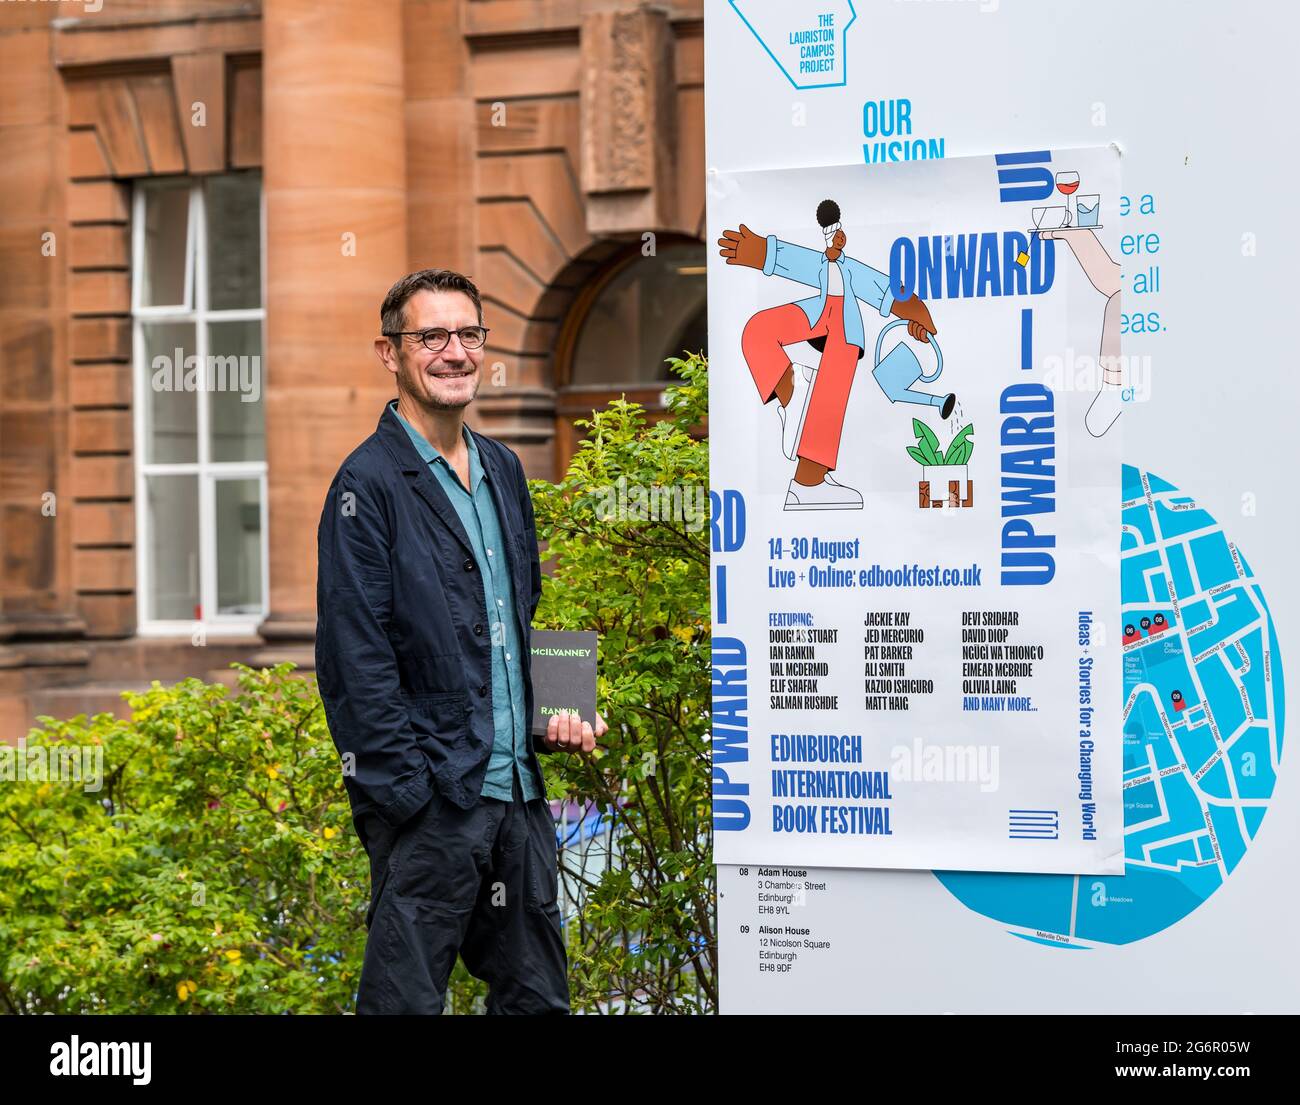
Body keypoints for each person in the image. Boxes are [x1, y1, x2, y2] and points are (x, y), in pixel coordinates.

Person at [315, 268, 608, 1014]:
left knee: (538, 1001)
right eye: (432, 336)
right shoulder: (367, 482)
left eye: (469, 334)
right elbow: (355, 659)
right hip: (434, 804)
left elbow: (522, 611)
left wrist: (562, 710)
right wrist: (408, 798)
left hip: (517, 796)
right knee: (404, 1005)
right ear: (391, 352)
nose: (455, 351)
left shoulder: (505, 468)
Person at [719, 199, 943, 510]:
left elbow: (882, 288)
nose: (835, 242)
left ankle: (809, 482)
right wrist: (765, 253)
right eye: (831, 238)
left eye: (838, 238)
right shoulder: (823, 265)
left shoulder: (849, 270)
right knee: (757, 332)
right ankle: (792, 395)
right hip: (817, 315)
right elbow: (802, 263)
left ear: (843, 238)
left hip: (845, 329)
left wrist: (918, 313)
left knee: (830, 390)